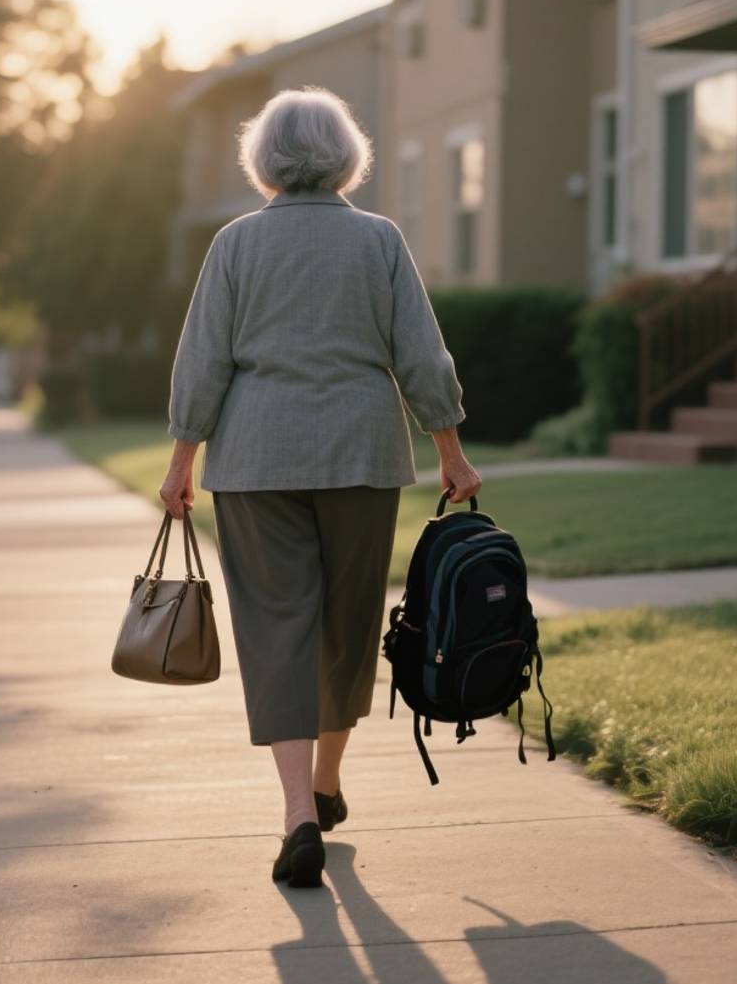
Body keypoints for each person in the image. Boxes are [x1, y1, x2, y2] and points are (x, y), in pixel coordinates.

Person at [159, 87, 479, 889]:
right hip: (360, 454)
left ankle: (301, 811)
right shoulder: (379, 240)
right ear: (346, 156)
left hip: (255, 460)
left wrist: (181, 460)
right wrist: (450, 449)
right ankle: (329, 782)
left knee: (277, 629)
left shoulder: (235, 244)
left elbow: (202, 360)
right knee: (347, 624)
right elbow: (422, 354)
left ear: (262, 158)